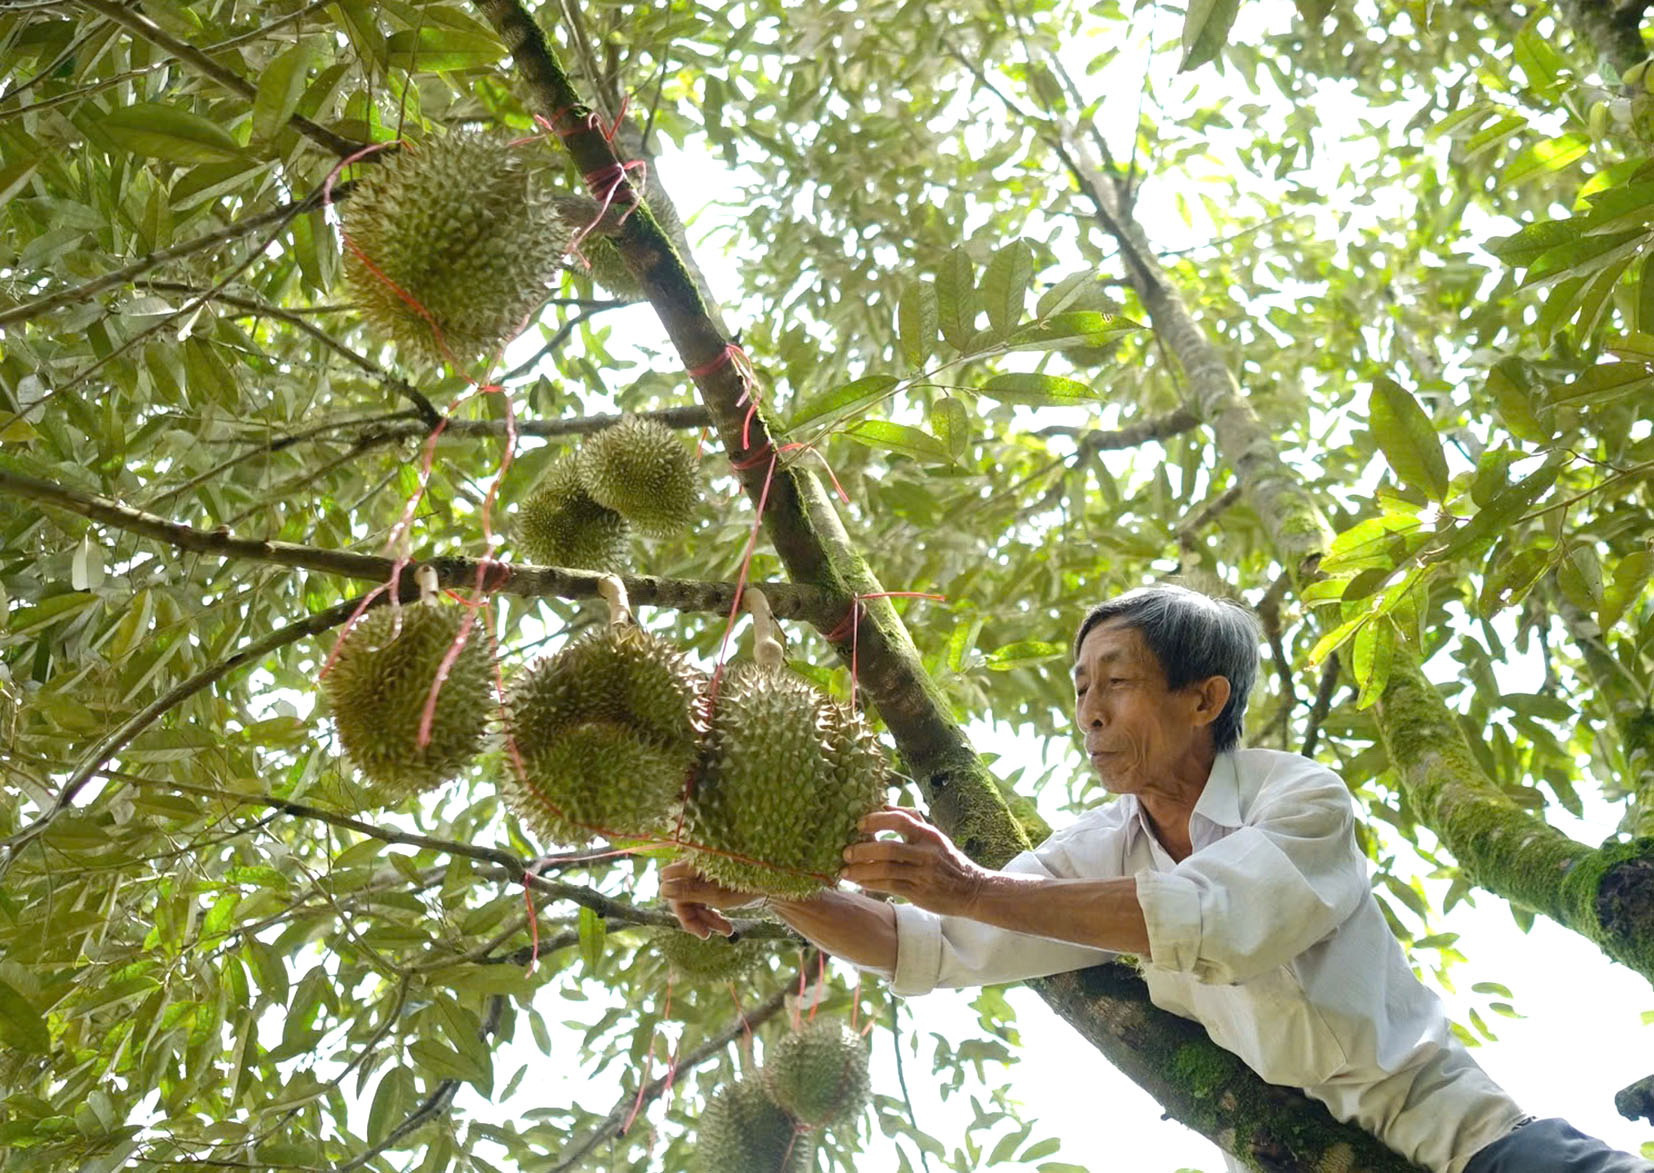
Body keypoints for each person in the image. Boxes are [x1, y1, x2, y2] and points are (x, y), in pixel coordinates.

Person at [661, 584, 1652, 1173]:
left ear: (1203, 697)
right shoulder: (1100, 847)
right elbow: (925, 945)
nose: (1088, 709)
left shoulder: (1297, 798)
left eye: (1116, 680)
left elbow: (1217, 919)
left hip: (1471, 1142)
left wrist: (967, 886)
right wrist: (760, 874)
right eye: (1079, 687)